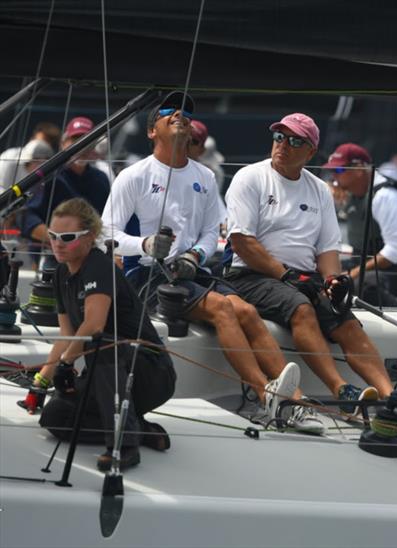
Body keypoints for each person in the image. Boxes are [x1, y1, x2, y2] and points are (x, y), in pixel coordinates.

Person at [101, 92, 321, 433]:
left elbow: (210, 233)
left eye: (186, 114)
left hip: (191, 272)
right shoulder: (134, 176)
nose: (181, 115)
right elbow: (106, 234)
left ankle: (296, 399)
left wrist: (195, 255)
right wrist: (146, 244)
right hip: (146, 274)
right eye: (170, 112)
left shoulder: (203, 176)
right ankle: (267, 397)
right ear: (151, 131)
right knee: (223, 308)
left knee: (246, 310)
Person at [224, 112, 393, 404]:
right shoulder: (250, 177)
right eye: (279, 137)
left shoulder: (318, 190)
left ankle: (391, 397)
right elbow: (242, 242)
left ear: (311, 151)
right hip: (250, 275)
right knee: (301, 308)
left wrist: (333, 282)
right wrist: (285, 275)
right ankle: (342, 389)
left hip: (301, 278)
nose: (283, 144)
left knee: (345, 319)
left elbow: (327, 249)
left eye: (294, 140)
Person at [26, 198, 176, 471]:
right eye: (53, 236)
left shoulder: (98, 265)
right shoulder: (61, 274)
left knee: (103, 344)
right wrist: (41, 382)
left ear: (90, 237)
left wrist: (66, 364)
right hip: (109, 371)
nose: (58, 243)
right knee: (54, 416)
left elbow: (94, 325)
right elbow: (67, 335)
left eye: (68, 237)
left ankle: (125, 446)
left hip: (149, 371)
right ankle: (139, 429)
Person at [323, 143, 397, 307]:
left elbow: (393, 252)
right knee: (318, 271)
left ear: (359, 169)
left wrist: (352, 274)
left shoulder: (385, 197)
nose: (334, 177)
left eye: (339, 170)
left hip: (396, 273)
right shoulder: (351, 191)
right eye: (332, 172)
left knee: (361, 285)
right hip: (363, 264)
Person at [20, 117, 111, 247]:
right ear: (63, 144)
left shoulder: (101, 179)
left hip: (91, 254)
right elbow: (27, 218)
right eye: (75, 140)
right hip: (51, 254)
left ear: (95, 146)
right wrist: (61, 241)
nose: (82, 146)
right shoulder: (48, 176)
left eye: (89, 141)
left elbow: (107, 221)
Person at [0, 121, 60, 192]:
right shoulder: (9, 157)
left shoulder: (54, 172)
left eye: (46, 143)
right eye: (38, 141)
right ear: (32, 139)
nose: (39, 145)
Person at [188, 119, 226, 190]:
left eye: (193, 141)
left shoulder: (214, 173)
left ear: (201, 150)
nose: (186, 144)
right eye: (184, 138)